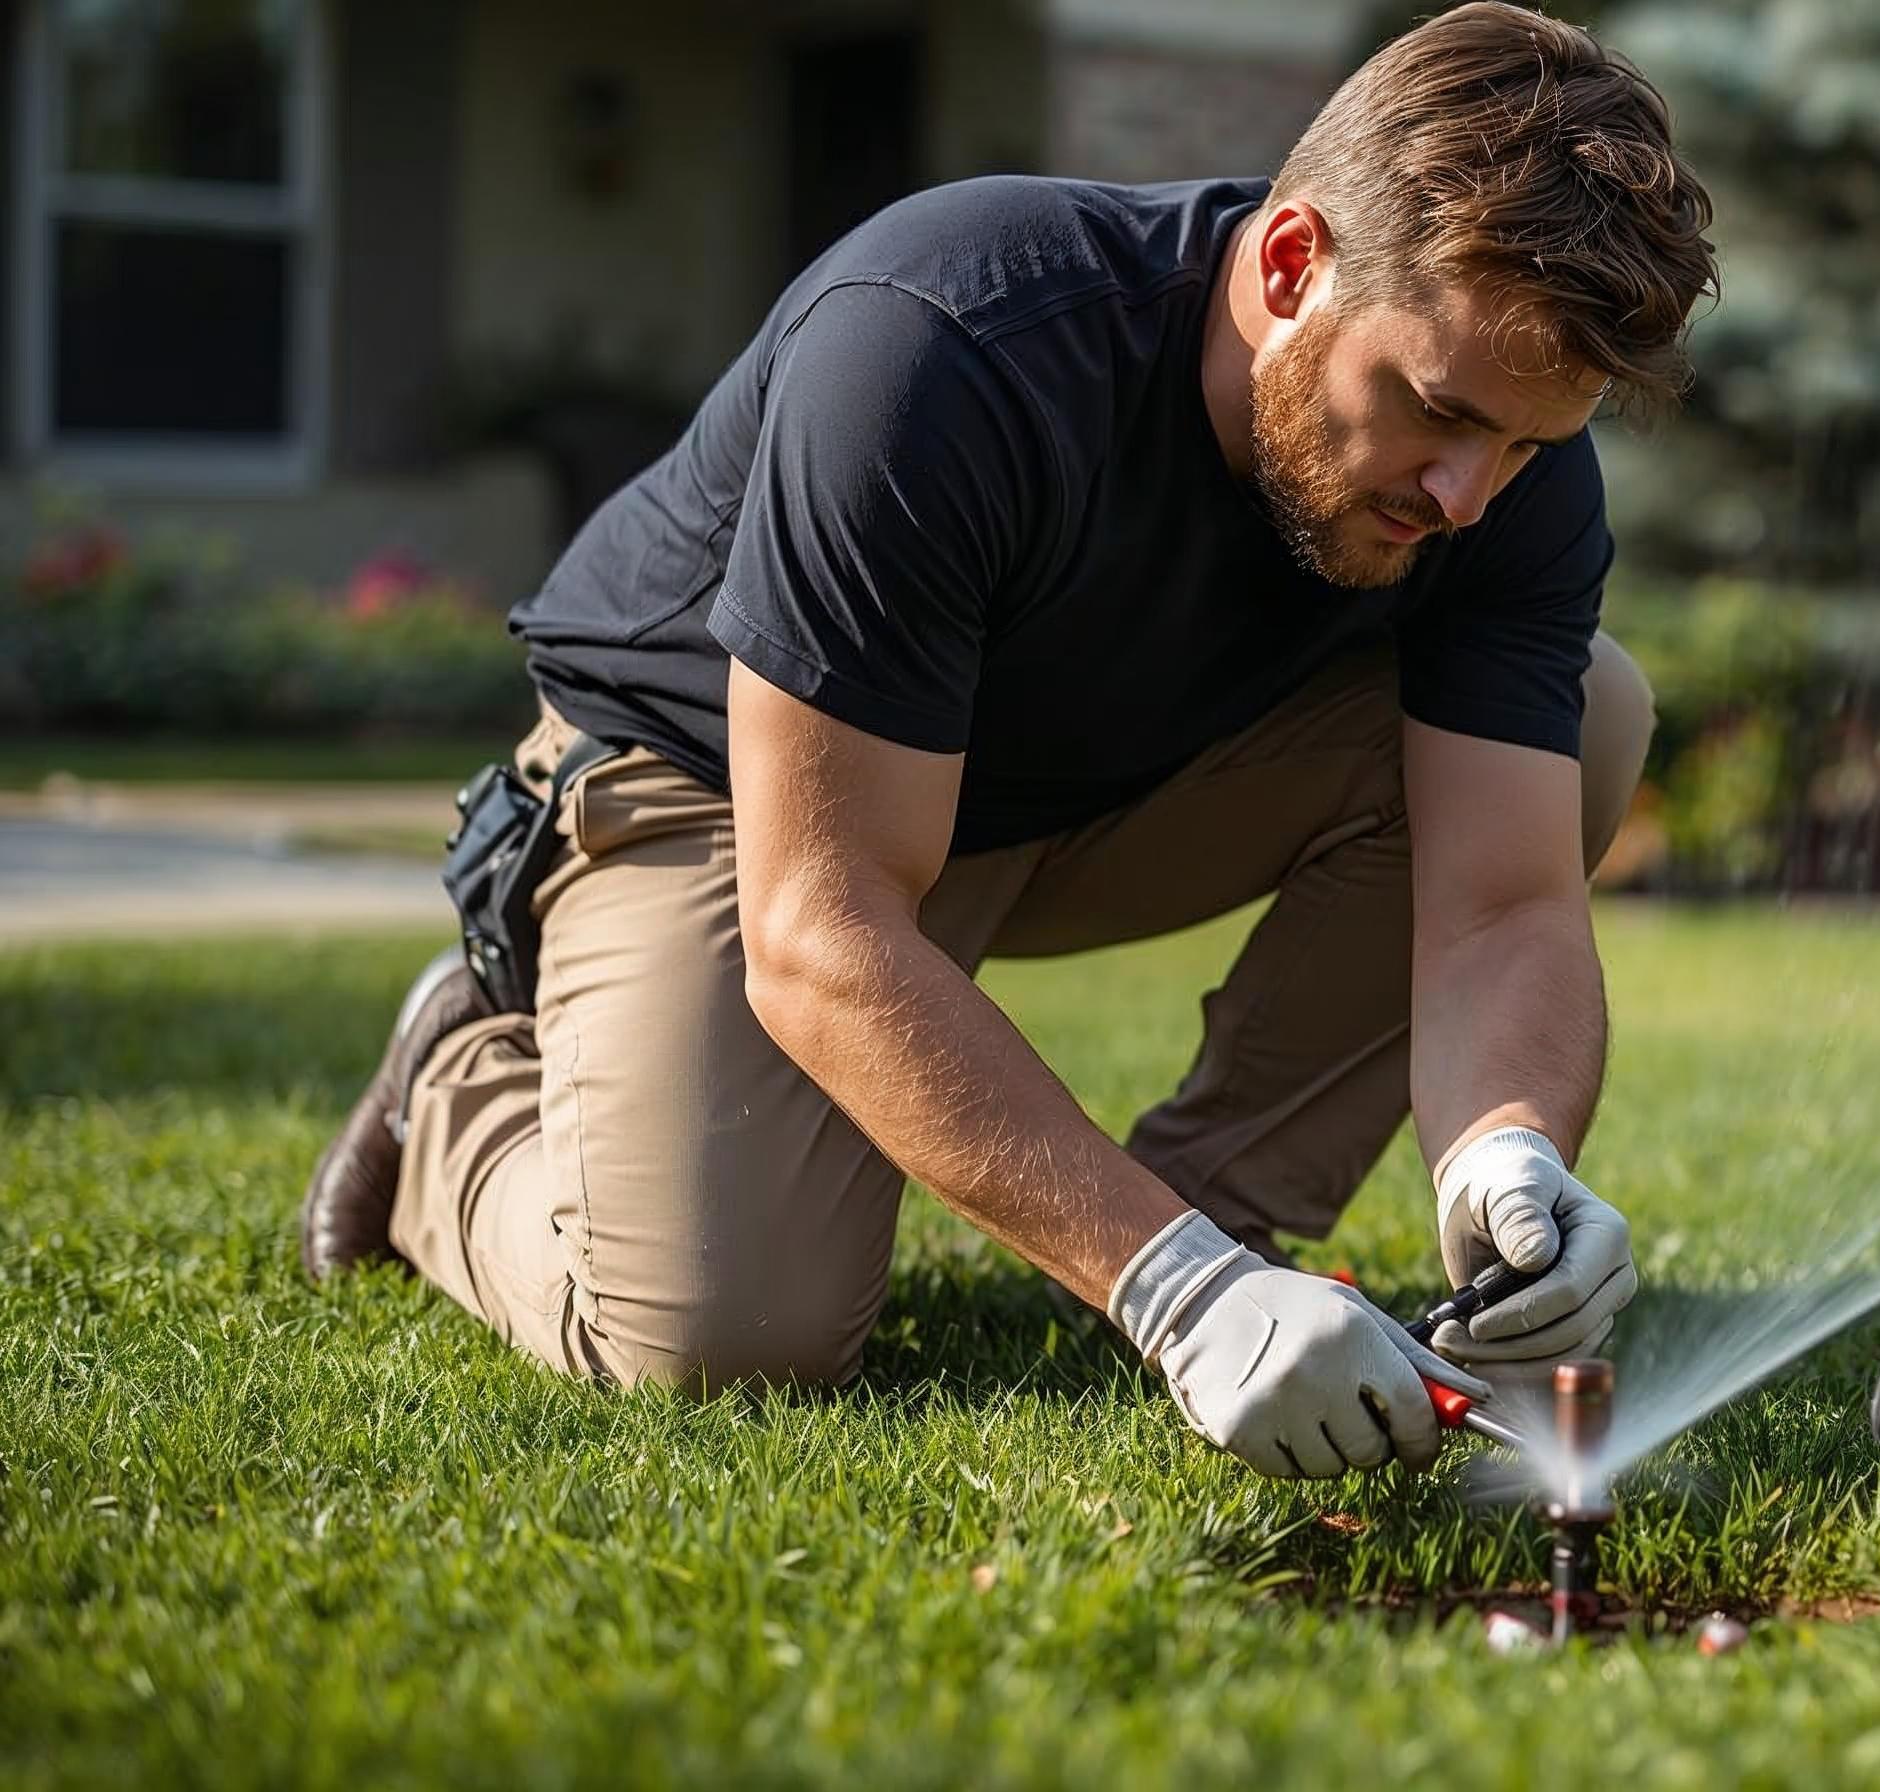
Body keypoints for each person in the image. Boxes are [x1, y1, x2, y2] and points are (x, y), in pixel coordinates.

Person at [295, 2, 1717, 1483]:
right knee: (721, 1337)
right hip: (721, 797)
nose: (1469, 495)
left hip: (1065, 792)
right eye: (1435, 414)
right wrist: (1181, 1303)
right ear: (1293, 266)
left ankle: (1204, 1220)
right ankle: (458, 1075)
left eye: (1527, 447)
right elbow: (820, 922)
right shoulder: (941, 348)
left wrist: (1511, 1148)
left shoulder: (1502, 463)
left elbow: (1500, 900)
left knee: (1589, 714)